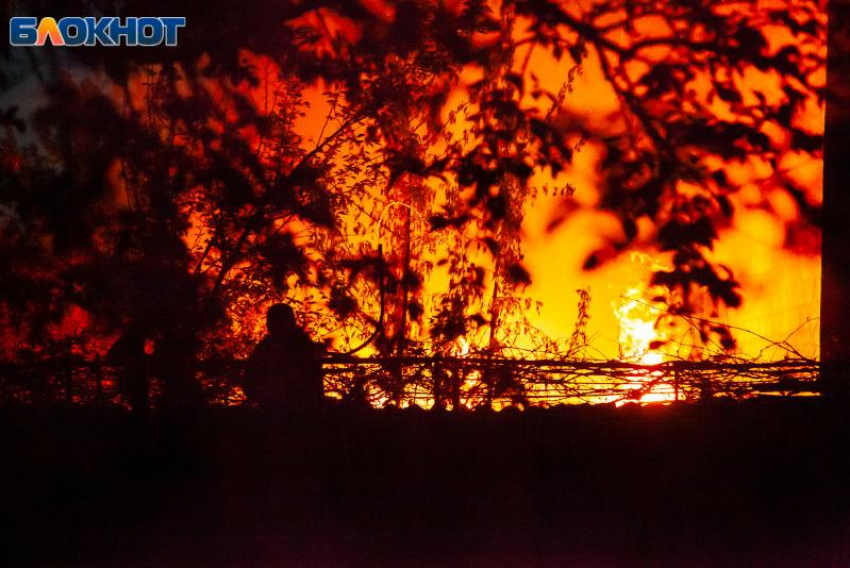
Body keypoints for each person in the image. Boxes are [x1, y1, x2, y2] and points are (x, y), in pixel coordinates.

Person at [244, 303, 325, 412]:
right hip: (281, 408)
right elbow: (250, 380)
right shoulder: (304, 345)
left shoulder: (301, 346)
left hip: (294, 409)